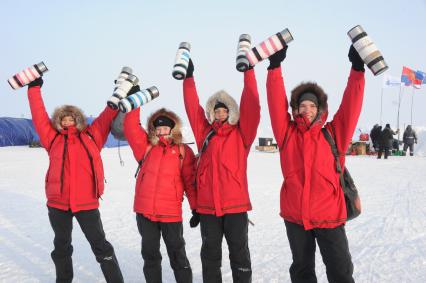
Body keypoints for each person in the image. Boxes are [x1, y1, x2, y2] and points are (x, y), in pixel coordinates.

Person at [265, 44, 365, 283]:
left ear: (320, 109)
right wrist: (274, 68)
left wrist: (357, 70)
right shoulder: (287, 135)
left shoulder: (333, 134)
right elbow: (275, 104)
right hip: (296, 217)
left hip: (329, 215)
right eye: (302, 106)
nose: (307, 110)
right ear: (296, 110)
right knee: (302, 272)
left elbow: (351, 106)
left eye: (312, 106)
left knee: (340, 272)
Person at [26, 77, 124, 283]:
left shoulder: (92, 136)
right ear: (59, 122)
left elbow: (106, 116)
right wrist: (34, 89)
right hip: (58, 203)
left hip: (86, 202)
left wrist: (121, 93)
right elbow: (39, 116)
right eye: (64, 119)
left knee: (100, 245)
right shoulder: (52, 138)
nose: (67, 122)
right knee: (61, 246)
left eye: (71, 119)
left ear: (78, 120)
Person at [182, 58, 260, 283]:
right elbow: (191, 107)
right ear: (211, 113)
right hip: (208, 208)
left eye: (224, 110)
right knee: (210, 256)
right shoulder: (204, 133)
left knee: (239, 254)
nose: (220, 113)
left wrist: (249, 73)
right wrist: (188, 79)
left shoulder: (242, 134)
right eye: (216, 110)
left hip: (235, 207)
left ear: (231, 112)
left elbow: (252, 106)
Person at [123, 102, 197, 283]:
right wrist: (135, 101)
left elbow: (190, 182)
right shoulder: (145, 147)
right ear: (153, 130)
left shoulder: (183, 151)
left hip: (170, 213)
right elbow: (130, 126)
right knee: (150, 256)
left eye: (165, 127)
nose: (162, 131)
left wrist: (195, 208)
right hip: (145, 212)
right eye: (159, 128)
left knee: (178, 255)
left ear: (173, 129)